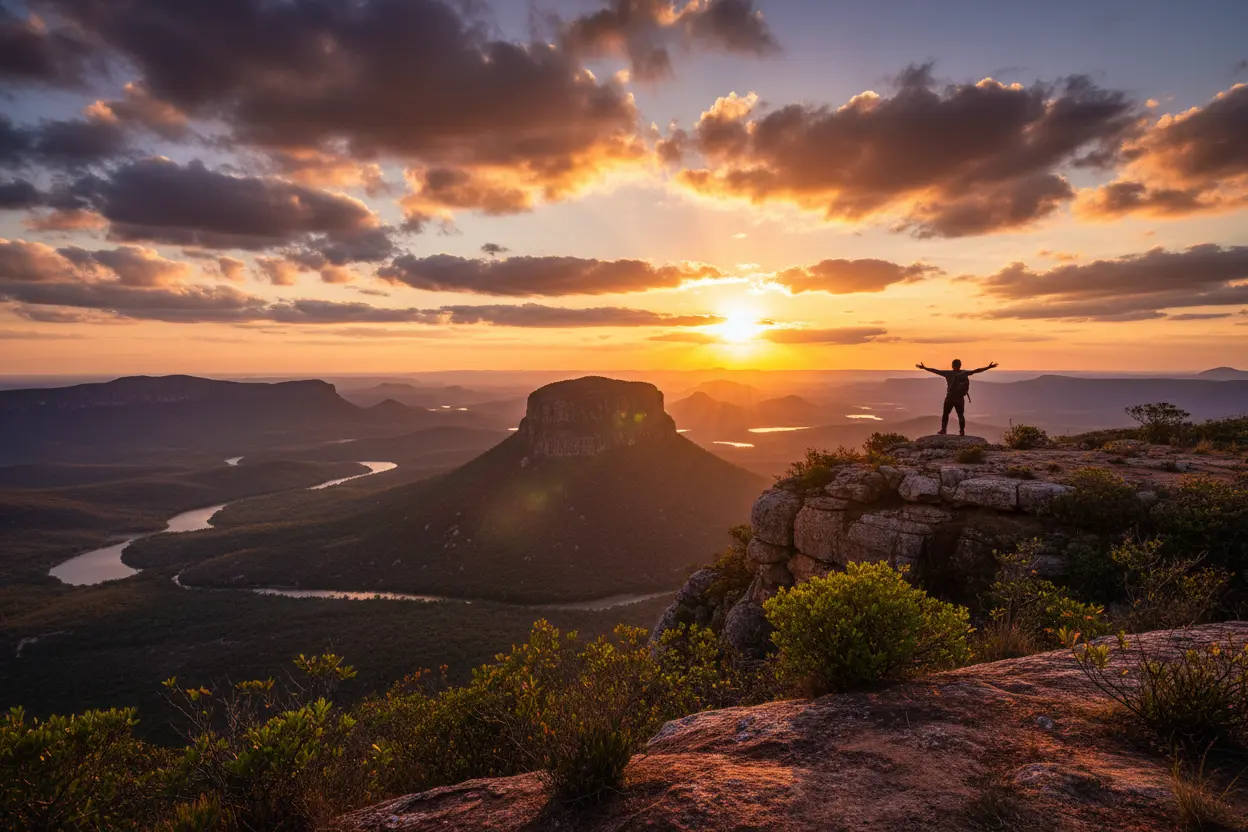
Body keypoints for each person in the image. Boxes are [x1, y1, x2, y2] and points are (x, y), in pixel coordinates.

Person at [916, 359, 998, 435]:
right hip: (960, 398)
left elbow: (935, 371)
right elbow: (976, 371)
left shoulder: (948, 373)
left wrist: (924, 368)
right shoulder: (964, 373)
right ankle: (962, 431)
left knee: (945, 414)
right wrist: (988, 367)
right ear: (960, 365)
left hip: (950, 397)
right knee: (960, 415)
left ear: (952, 365)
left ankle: (943, 430)